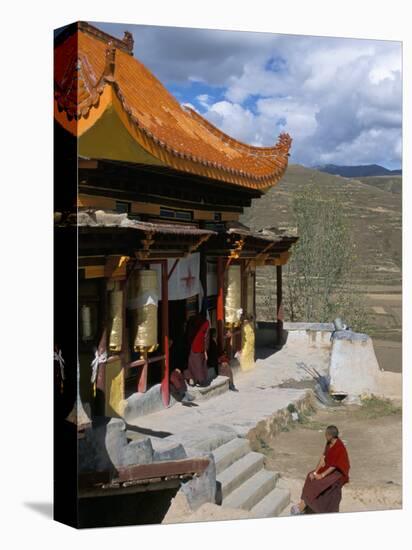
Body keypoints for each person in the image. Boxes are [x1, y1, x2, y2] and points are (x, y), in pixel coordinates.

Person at [291, 425, 350, 515]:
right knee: (310, 476)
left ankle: (306, 507)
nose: (325, 436)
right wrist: (315, 472)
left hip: (337, 472)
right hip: (328, 467)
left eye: (326, 434)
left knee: (320, 483)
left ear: (331, 436)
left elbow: (334, 466)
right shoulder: (329, 443)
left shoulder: (339, 447)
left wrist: (322, 475)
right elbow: (323, 457)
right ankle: (303, 504)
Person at [185, 311, 210, 387]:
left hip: (192, 346)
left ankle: (193, 380)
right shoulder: (205, 323)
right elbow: (206, 337)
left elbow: (188, 333)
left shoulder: (191, 321)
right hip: (200, 346)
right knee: (199, 364)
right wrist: (206, 349)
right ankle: (201, 380)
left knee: (192, 364)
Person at [169, 339, 195, 405]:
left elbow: (173, 362)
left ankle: (186, 394)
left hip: (171, 370)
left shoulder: (172, 350)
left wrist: (176, 368)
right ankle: (184, 395)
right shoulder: (163, 351)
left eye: (171, 342)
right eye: (169, 342)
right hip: (163, 372)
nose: (170, 343)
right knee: (174, 376)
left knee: (179, 374)